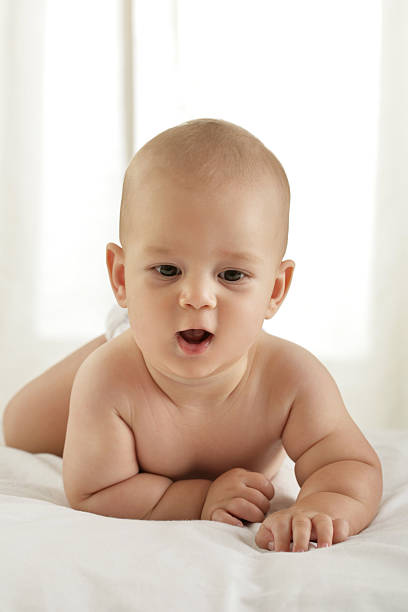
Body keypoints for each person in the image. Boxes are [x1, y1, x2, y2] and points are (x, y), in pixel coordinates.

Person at [3, 118, 383, 553]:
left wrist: (322, 505)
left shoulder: (292, 379)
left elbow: (348, 462)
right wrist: (201, 498)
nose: (197, 297)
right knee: (19, 428)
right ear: (122, 277)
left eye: (232, 274)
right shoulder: (109, 379)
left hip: (160, 325)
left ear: (274, 291)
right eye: (168, 270)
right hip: (137, 344)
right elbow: (95, 492)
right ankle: (123, 327)